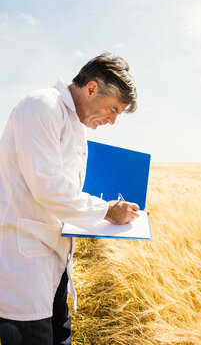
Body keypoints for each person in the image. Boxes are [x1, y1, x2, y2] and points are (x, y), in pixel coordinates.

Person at [0, 53, 139, 344]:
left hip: (55, 260)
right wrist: (107, 210)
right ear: (90, 88)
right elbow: (48, 188)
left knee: (61, 336)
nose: (113, 121)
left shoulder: (77, 126)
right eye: (113, 109)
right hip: (24, 263)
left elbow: (69, 191)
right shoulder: (42, 107)